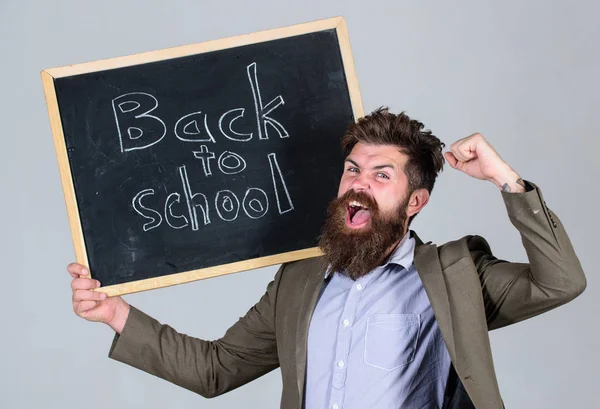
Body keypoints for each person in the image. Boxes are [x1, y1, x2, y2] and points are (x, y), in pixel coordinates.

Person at [68, 108, 586, 409]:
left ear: (415, 202)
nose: (359, 183)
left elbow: (560, 282)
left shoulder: (454, 276)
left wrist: (505, 178)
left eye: (382, 175)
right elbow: (215, 369)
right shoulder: (298, 280)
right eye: (353, 169)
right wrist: (114, 314)